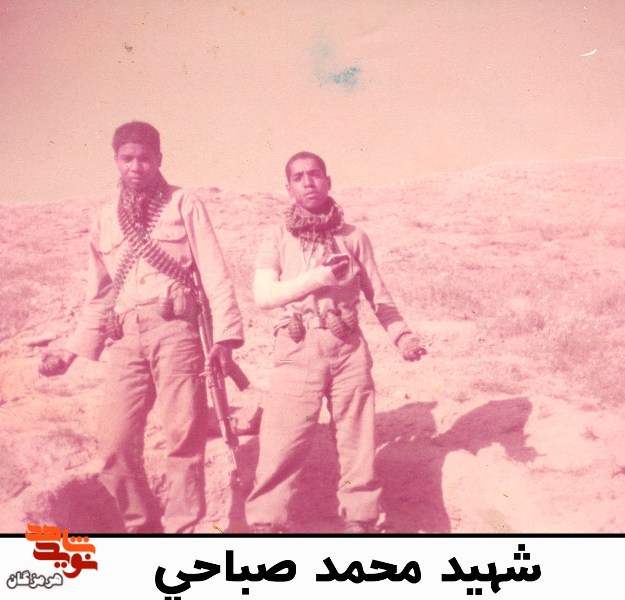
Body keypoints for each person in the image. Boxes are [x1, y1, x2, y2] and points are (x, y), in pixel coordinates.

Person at [38, 121, 244, 532]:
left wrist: (225, 338)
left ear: (159, 159)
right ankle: (142, 527)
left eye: (144, 158)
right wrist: (72, 351)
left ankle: (184, 531)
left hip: (177, 330)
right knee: (113, 441)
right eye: (127, 159)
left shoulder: (183, 203)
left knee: (183, 435)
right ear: (116, 161)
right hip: (125, 337)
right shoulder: (104, 219)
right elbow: (100, 295)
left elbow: (215, 272)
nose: (136, 167)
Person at [246, 151, 426, 533]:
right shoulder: (277, 236)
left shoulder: (353, 238)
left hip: (348, 349)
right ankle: (266, 527)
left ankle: (360, 525)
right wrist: (317, 278)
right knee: (282, 443)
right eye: (298, 177)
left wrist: (402, 336)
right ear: (289, 188)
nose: (308, 182)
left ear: (328, 181)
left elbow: (379, 295)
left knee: (357, 442)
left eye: (315, 174)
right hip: (296, 348)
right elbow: (264, 296)